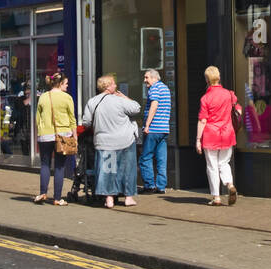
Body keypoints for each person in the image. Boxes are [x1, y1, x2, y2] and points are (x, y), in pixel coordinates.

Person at [80, 75, 142, 209]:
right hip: (124, 141)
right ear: (108, 86)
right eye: (114, 84)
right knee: (127, 170)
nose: (116, 86)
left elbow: (86, 122)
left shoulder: (93, 101)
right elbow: (136, 108)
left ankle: (109, 200)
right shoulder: (120, 101)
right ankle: (128, 198)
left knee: (108, 171)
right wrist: (125, 97)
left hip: (104, 143)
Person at [196, 66, 241, 206]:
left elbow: (202, 120)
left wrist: (198, 140)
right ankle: (229, 185)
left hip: (211, 134)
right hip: (227, 133)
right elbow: (238, 109)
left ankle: (216, 197)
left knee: (212, 166)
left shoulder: (206, 98)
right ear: (219, 77)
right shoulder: (229, 94)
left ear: (206, 80)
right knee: (224, 163)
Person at [35, 72, 77, 205]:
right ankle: (58, 199)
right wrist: (74, 135)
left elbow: (37, 118)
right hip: (63, 135)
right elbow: (72, 119)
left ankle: (42, 193)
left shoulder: (43, 97)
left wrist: (41, 130)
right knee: (59, 167)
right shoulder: (67, 98)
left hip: (45, 135)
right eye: (66, 83)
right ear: (60, 84)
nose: (67, 86)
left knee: (45, 164)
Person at [139, 69, 171, 194]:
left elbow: (154, 105)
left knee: (145, 158)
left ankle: (149, 186)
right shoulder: (165, 88)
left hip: (153, 129)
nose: (145, 80)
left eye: (146, 77)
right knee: (161, 159)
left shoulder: (154, 88)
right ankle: (161, 187)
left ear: (154, 78)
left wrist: (147, 125)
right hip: (163, 129)